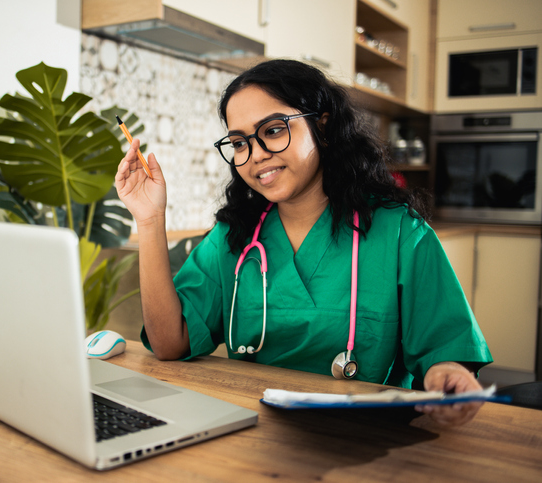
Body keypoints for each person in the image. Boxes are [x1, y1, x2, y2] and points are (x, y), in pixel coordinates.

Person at [115, 59, 492, 426]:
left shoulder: (400, 233)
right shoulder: (235, 238)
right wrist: (149, 220)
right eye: (239, 142)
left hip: (367, 439)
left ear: (322, 128)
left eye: (274, 130)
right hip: (252, 433)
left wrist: (446, 373)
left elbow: (445, 351)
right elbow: (169, 344)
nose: (256, 154)